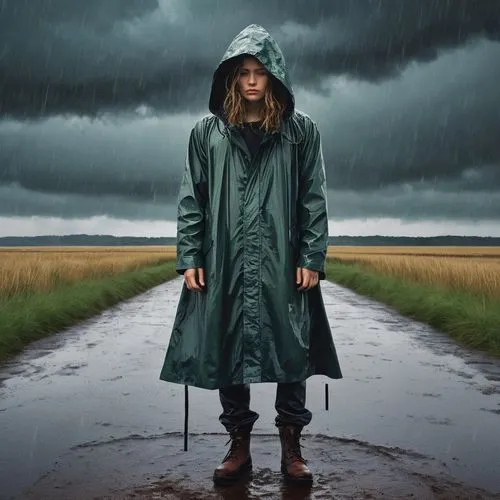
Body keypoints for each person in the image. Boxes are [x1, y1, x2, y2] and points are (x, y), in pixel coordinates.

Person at [159, 24, 342, 486]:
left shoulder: (301, 133)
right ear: (232, 79)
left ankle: (291, 449)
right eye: (244, 72)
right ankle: (238, 446)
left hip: (284, 259)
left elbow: (312, 198)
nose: (253, 81)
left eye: (261, 71)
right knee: (225, 343)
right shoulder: (206, 134)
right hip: (225, 258)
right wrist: (190, 255)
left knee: (292, 346)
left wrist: (312, 256)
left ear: (275, 76)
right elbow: (191, 199)